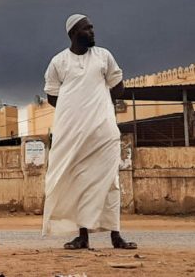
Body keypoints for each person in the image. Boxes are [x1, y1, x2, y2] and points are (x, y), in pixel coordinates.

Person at [41, 14, 137, 250]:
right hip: (72, 134)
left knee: (110, 182)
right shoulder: (58, 62)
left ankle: (116, 236)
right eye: (87, 28)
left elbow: (118, 87)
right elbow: (53, 95)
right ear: (74, 33)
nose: (93, 31)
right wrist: (76, 110)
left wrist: (98, 106)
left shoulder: (104, 56)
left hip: (103, 132)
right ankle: (82, 236)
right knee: (77, 181)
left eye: (92, 27)